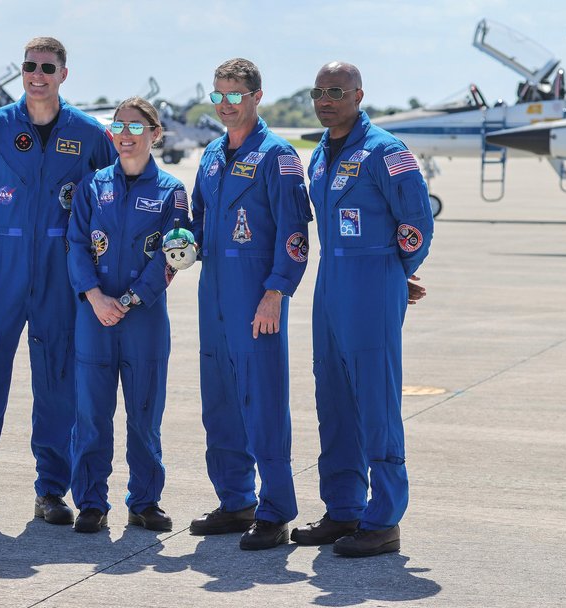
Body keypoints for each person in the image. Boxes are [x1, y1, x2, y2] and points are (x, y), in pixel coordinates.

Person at [0, 37, 116, 528]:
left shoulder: (88, 133)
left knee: (58, 381)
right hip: (1, 267)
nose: (37, 75)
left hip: (62, 270)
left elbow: (108, 204)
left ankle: (52, 491)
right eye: (29, 67)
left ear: (63, 73)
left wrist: (97, 278)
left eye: (47, 67)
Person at [289, 61, 434, 556]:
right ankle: (344, 508)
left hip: (371, 281)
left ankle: (384, 518)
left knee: (375, 397)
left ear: (358, 95)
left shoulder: (387, 152)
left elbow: (416, 223)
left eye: (336, 91)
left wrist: (395, 273)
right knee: (332, 397)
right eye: (318, 91)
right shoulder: (321, 156)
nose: (325, 99)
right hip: (331, 281)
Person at [188, 58, 313, 550]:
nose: (225, 104)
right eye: (218, 95)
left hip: (256, 299)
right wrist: (182, 243)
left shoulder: (277, 156)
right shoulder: (212, 156)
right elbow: (199, 223)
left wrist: (275, 292)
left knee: (262, 404)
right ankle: (235, 500)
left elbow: (295, 233)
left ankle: (276, 509)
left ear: (256, 96)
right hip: (213, 297)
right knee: (218, 404)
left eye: (234, 95)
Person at [66, 97, 190, 533]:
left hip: (144, 319)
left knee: (144, 414)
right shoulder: (92, 186)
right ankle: (91, 503)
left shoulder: (172, 191)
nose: (126, 134)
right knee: (91, 415)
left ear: (155, 134)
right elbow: (76, 245)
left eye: (136, 127)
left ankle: (145, 501)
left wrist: (133, 299)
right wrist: (96, 297)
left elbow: (174, 253)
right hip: (95, 317)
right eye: (119, 126)